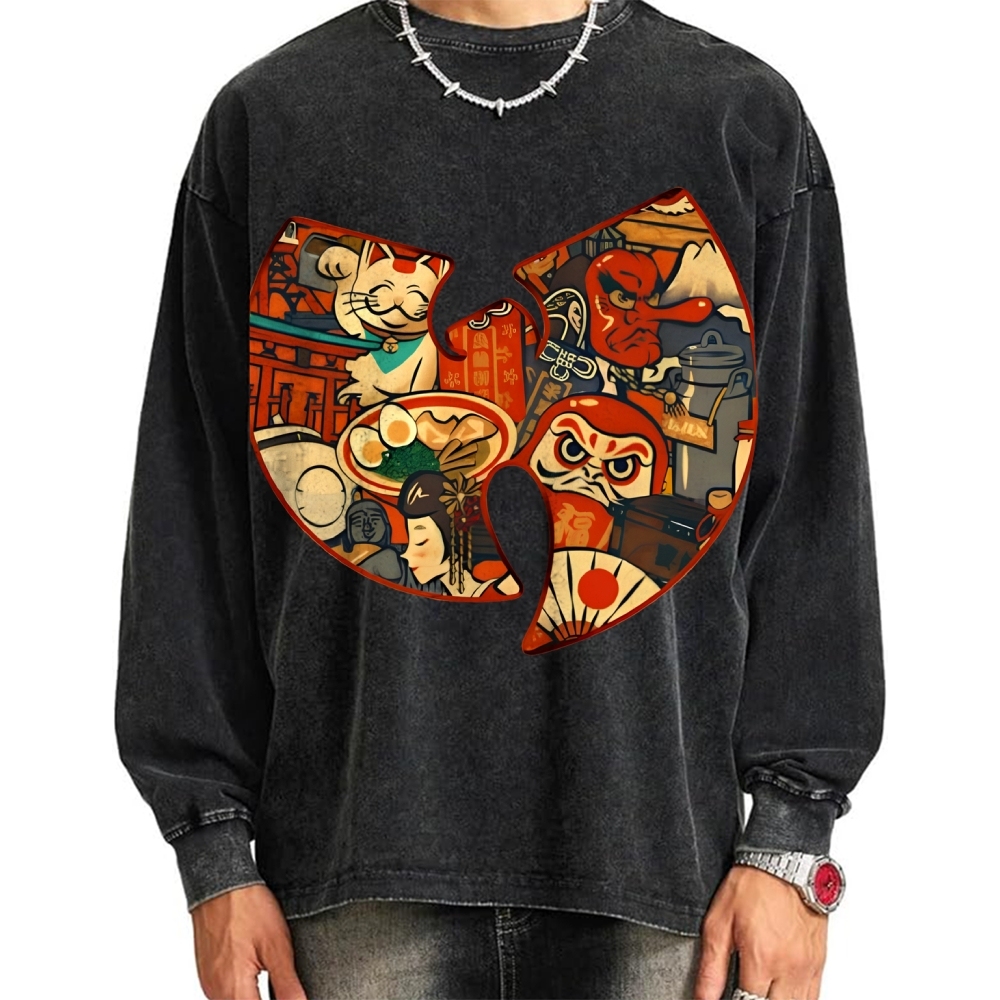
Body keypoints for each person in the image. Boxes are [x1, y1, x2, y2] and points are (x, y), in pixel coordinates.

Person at [114, 1, 885, 998]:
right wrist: (212, 850)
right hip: (351, 881)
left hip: (664, 882)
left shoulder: (736, 117)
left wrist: (791, 842)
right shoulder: (275, 117)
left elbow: (812, 499)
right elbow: (190, 503)